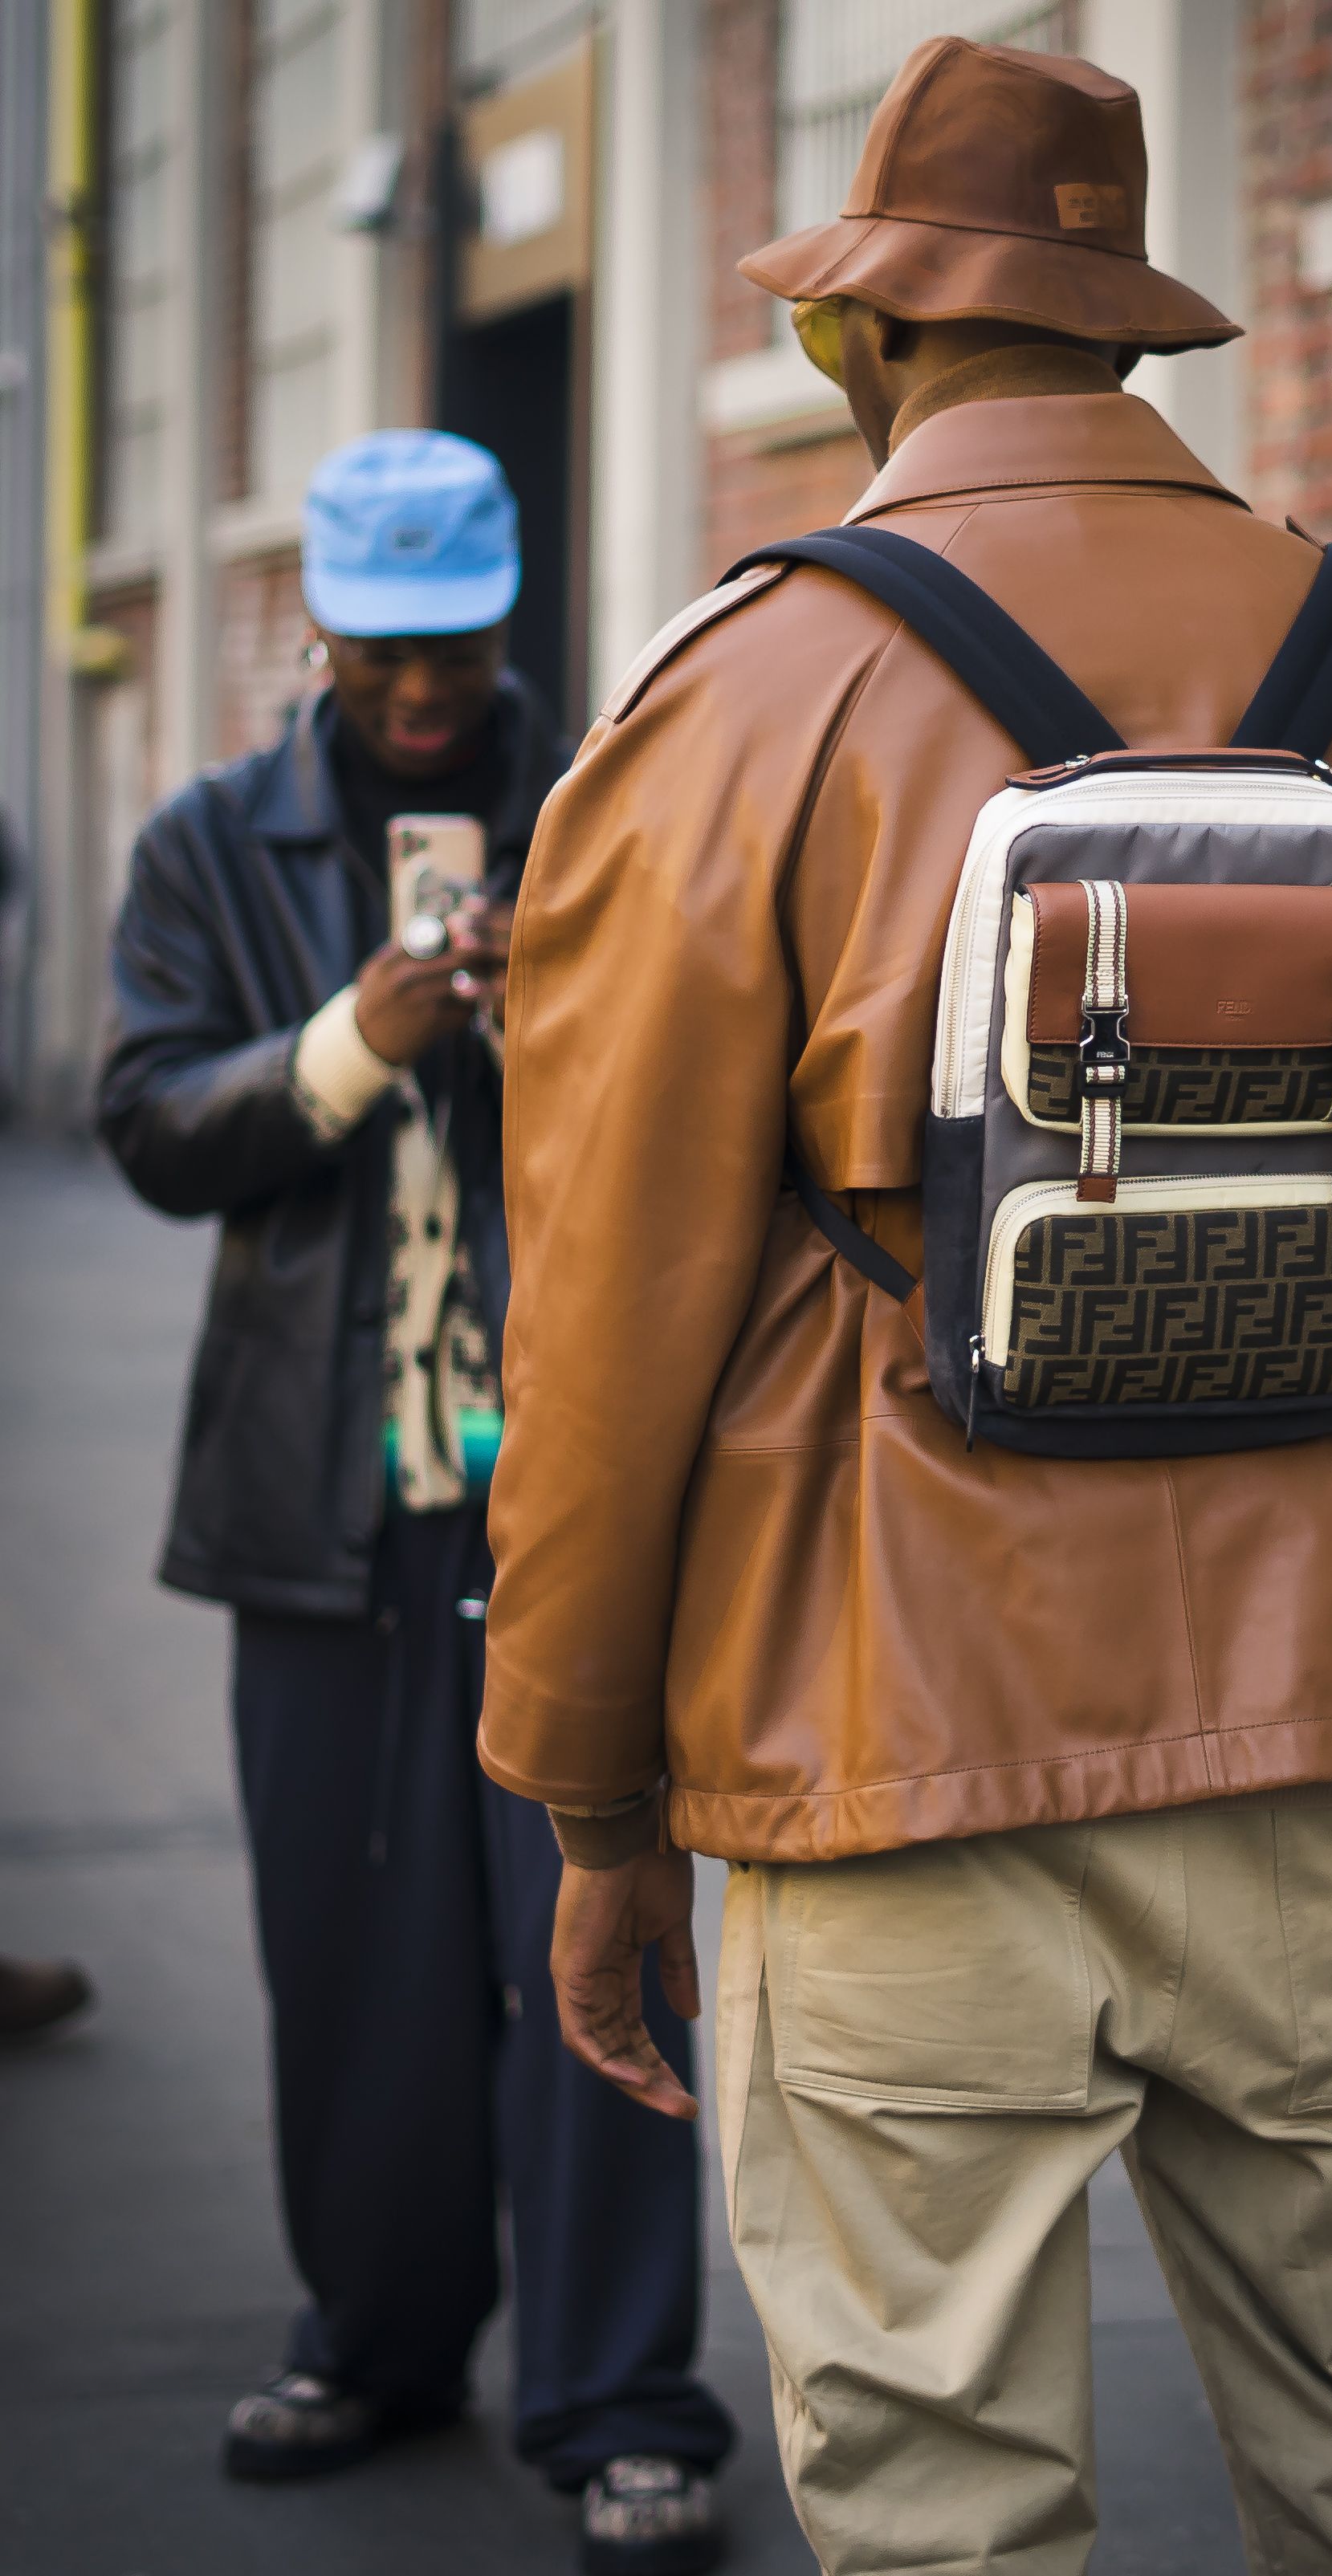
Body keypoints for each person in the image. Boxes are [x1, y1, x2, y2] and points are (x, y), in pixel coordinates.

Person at [480, 42, 1332, 2576]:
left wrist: (586, 1801)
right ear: (1127, 331)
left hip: (880, 1727)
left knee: (945, 2508)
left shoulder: (733, 702)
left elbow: (607, 1319)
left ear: (868, 337)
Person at [98, 430, 732, 2570]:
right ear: (321, 636)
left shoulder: (610, 809)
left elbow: (715, 1092)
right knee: (352, 1957)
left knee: (603, 1945)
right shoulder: (212, 842)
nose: (423, 686)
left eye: (456, 639)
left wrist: (548, 1010)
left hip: (574, 1493)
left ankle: (624, 2392)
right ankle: (375, 2340)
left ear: (505, 609)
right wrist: (350, 1045)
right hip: (326, 1503)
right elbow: (153, 1122)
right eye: (382, 649)